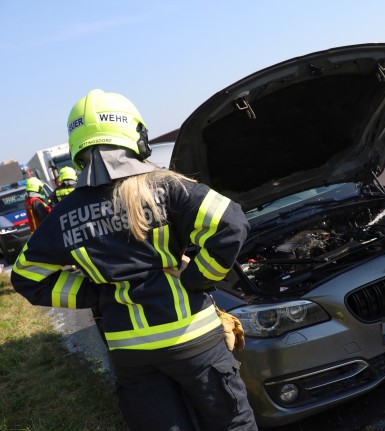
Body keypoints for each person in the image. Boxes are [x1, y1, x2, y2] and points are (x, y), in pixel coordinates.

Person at [11, 89, 258, 431]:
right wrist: (198, 279)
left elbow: (26, 277)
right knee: (231, 424)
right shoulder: (163, 187)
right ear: (134, 134)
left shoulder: (62, 215)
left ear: (77, 145)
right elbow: (230, 223)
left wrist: (95, 294)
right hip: (192, 339)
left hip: (129, 350)